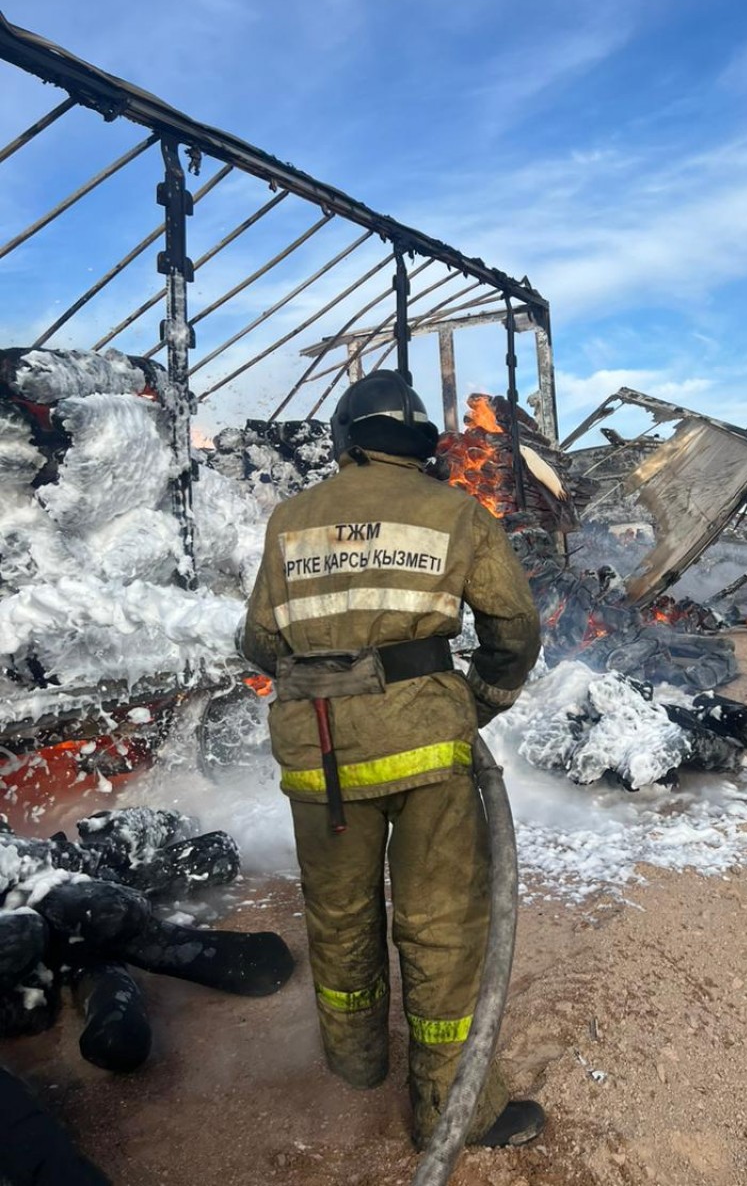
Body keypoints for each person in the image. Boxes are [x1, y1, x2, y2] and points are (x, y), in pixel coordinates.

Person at [241, 370, 544, 1150]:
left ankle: (357, 1066)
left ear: (346, 439)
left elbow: (261, 643)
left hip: (321, 757)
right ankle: (453, 1108)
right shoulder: (457, 511)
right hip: (428, 746)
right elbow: (513, 624)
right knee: (441, 923)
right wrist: (484, 696)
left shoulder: (290, 519)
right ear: (420, 446)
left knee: (340, 915)